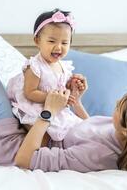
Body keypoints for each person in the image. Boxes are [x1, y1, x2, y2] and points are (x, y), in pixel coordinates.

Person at [7, 8, 87, 141]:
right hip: (35, 109)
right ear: (37, 41)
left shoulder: (64, 67)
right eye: (51, 41)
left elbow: (62, 89)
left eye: (64, 42)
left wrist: (71, 88)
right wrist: (52, 97)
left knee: (75, 132)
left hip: (57, 111)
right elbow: (30, 92)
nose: (58, 47)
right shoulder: (35, 66)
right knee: (43, 138)